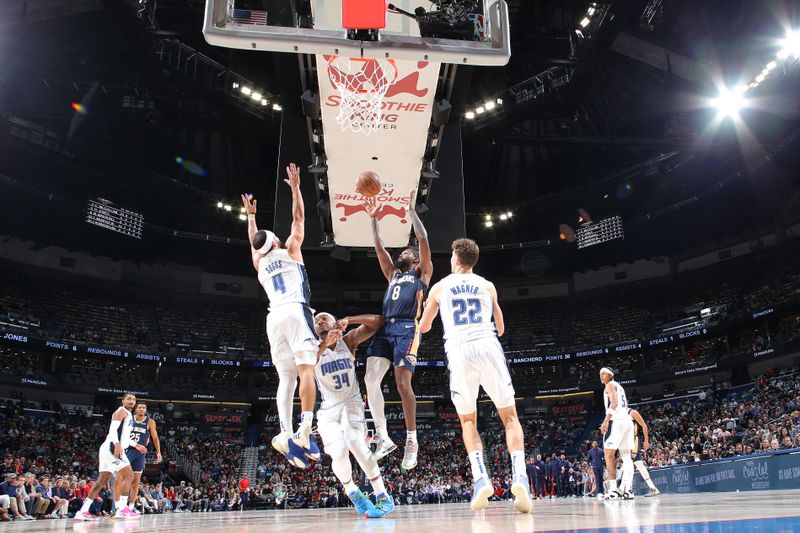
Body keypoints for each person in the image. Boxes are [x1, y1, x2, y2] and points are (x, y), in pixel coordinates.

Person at [419, 238, 532, 513]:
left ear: (455, 259)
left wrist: (425, 306)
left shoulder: (440, 286)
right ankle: (520, 477)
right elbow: (502, 328)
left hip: (459, 351)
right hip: (487, 346)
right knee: (510, 417)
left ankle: (481, 477)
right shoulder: (487, 285)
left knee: (468, 420)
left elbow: (423, 327)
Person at [242, 163, 320, 467]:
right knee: (306, 371)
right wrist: (296, 188)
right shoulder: (289, 250)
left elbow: (253, 242)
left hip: (273, 318)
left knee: (286, 378)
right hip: (295, 310)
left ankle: (285, 431)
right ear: (275, 240)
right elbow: (298, 218)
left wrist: (251, 217)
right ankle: (304, 429)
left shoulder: (260, 264)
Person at [362, 188, 433, 470]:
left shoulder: (422, 274)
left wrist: (412, 212)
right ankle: (382, 436)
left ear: (415, 260)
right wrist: (373, 218)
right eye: (402, 252)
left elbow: (424, 239)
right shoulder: (393, 274)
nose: (402, 253)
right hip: (385, 329)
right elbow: (379, 246)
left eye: (407, 252)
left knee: (403, 385)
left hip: (407, 330)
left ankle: (411, 439)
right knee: (370, 379)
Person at [312, 311, 395, 518]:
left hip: (352, 401)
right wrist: (324, 344)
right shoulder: (310, 348)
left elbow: (378, 323)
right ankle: (353, 493)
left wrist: (350, 320)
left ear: (334, 324)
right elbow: (303, 366)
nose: (320, 321)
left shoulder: (347, 341)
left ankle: (383, 496)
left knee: (354, 440)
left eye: (325, 319)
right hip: (328, 409)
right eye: (317, 321)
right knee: (338, 453)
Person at [74, 393, 139, 520]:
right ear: (123, 401)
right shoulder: (121, 411)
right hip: (112, 447)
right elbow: (112, 430)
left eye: (133, 399)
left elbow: (124, 436)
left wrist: (136, 445)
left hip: (108, 448)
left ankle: (83, 511)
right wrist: (117, 445)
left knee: (101, 481)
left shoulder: (128, 414)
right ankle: (122, 509)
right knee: (129, 475)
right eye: (129, 399)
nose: (131, 401)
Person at [598, 368, 634, 500]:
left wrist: (606, 421)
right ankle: (628, 490)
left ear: (610, 375)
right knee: (626, 456)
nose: (601, 376)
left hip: (616, 422)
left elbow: (614, 403)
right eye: (600, 374)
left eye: (603, 373)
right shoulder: (620, 387)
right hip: (627, 421)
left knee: (609, 455)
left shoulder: (610, 385)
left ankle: (613, 490)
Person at [126, 402, 162, 515]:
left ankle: (131, 507)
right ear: (136, 409)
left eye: (144, 408)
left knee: (136, 481)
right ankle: (120, 506)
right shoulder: (128, 419)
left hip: (140, 453)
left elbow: (155, 437)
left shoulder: (150, 421)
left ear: (146, 410)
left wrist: (158, 452)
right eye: (140, 407)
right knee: (124, 479)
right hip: (127, 450)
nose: (142, 409)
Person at [624, 408, 660, 497]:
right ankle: (653, 488)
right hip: (626, 442)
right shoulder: (619, 415)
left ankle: (627, 489)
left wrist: (646, 441)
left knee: (629, 463)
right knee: (639, 465)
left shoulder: (632, 412)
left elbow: (644, 425)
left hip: (634, 440)